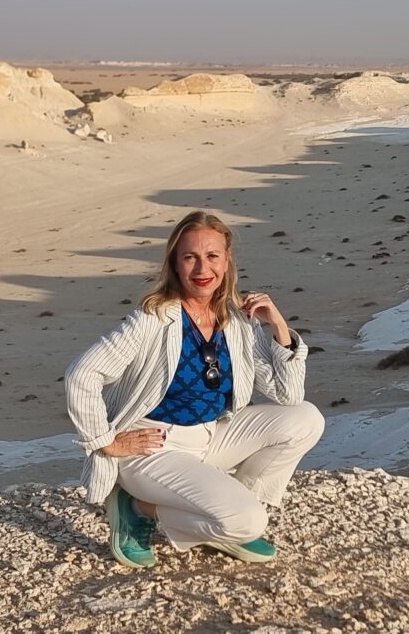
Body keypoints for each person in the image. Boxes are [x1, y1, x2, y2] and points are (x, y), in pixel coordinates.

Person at [65, 210, 324, 568]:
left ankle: (226, 519)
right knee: (250, 521)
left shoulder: (237, 321)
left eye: (212, 256)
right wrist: (104, 440)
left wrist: (278, 326)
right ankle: (134, 507)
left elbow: (288, 395)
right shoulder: (152, 318)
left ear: (227, 259)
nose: (203, 269)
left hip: (209, 436)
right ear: (175, 262)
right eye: (190, 257)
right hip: (152, 448)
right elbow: (83, 374)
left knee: (306, 418)